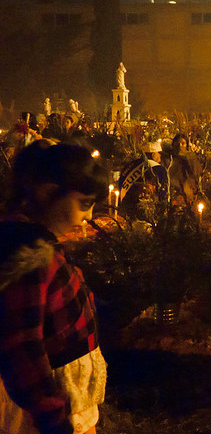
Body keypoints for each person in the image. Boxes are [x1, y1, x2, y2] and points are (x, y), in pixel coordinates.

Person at [0, 142, 108, 434]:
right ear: (48, 193)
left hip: (66, 399)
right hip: (48, 410)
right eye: (84, 203)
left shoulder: (39, 243)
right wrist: (52, 416)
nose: (88, 216)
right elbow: (21, 345)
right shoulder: (27, 257)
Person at [168, 133, 202, 205]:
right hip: (175, 192)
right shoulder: (170, 158)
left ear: (186, 145)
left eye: (183, 143)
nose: (180, 146)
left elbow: (195, 173)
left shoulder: (191, 157)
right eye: (178, 144)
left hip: (188, 190)